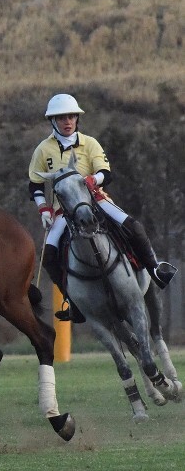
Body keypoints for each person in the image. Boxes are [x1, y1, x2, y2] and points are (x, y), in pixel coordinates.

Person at [28, 93, 177, 322]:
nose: (67, 121)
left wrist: (91, 180)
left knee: (134, 227)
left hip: (96, 200)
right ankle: (73, 301)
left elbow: (106, 173)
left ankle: (154, 270)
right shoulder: (43, 150)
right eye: (61, 118)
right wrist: (43, 209)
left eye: (71, 116)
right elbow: (35, 184)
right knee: (48, 256)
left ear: (77, 119)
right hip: (63, 211)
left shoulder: (89, 143)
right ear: (52, 121)